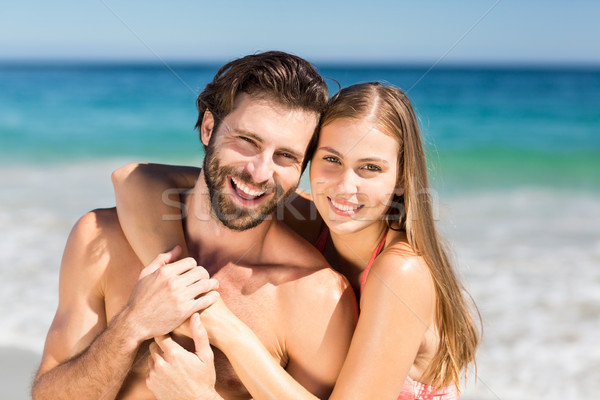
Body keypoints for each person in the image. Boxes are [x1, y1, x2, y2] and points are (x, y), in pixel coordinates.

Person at [112, 82, 480, 399]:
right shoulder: (314, 219)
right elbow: (134, 179)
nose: (345, 186)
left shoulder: (401, 271)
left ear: (401, 178)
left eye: (370, 168)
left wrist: (220, 325)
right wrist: (179, 285)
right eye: (331, 159)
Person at [31, 51, 358, 400]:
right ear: (208, 128)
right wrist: (131, 326)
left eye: (286, 156)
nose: (260, 173)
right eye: (247, 141)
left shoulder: (318, 298)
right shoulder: (101, 238)